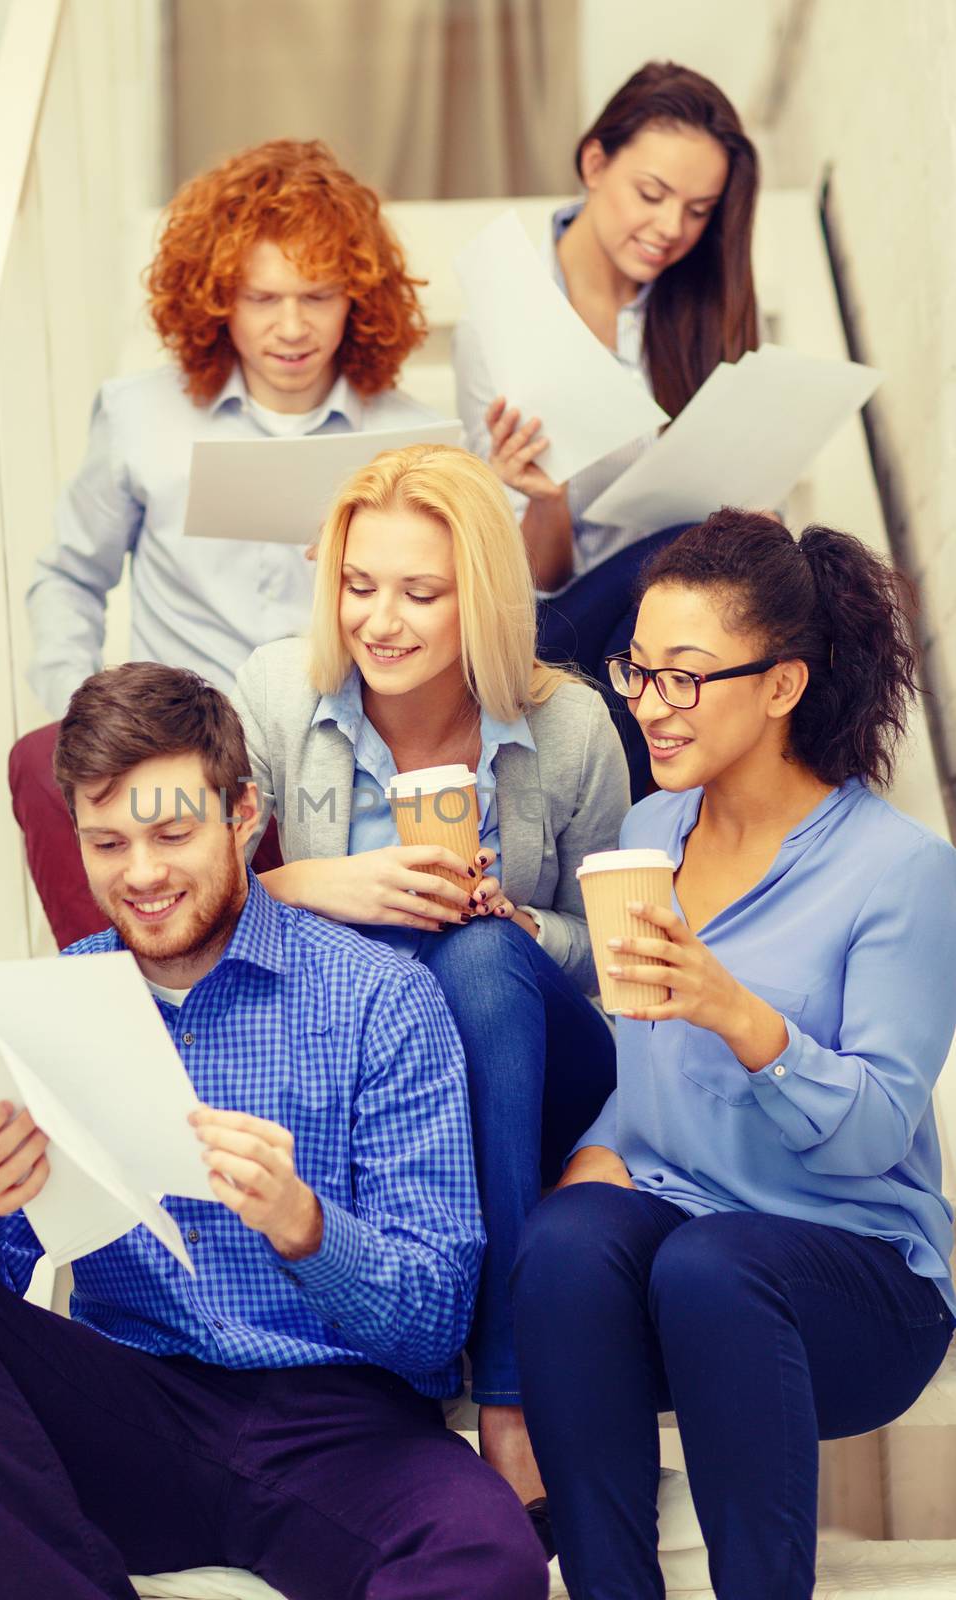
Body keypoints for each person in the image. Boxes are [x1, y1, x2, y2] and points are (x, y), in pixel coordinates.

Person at [0, 664, 548, 1600]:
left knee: (490, 1557)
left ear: (242, 814)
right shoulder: (48, 1003)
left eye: (172, 832)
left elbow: (434, 1325)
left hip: (340, 1431)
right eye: (108, 842)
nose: (143, 873)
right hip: (133, 1410)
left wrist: (306, 1227)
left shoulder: (380, 1001)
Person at [512, 510, 956, 1598]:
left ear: (780, 685)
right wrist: (589, 1170)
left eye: (684, 677)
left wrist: (737, 1012)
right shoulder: (651, 836)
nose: (646, 705)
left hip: (858, 1281)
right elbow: (642, 1078)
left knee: (709, 1268)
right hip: (683, 1256)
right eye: (638, 670)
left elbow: (868, 1136)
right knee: (566, 1240)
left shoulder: (899, 872)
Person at [231, 443, 629, 1506]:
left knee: (485, 956)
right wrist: (324, 882)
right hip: (369, 1068)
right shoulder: (277, 691)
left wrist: (522, 925)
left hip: (530, 1052)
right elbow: (195, 901)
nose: (379, 620)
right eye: (358, 585)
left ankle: (504, 1397)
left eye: (420, 592)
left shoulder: (571, 727)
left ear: (484, 599)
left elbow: (619, 955)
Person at [10, 138, 438, 947]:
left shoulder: (411, 436)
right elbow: (68, 576)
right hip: (171, 740)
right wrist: (84, 710)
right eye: (260, 297)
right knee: (45, 758)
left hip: (334, 751)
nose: (290, 327)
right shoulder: (140, 416)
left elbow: (461, 616)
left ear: (357, 298)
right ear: (215, 301)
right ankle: (121, 1003)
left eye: (318, 296)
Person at [454, 62, 759, 797]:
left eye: (697, 210)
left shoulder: (698, 303)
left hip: (687, 620)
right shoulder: (508, 316)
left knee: (726, 592)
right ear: (595, 163)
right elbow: (530, 586)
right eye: (650, 195)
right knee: (661, 615)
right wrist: (545, 497)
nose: (669, 230)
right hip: (569, 626)